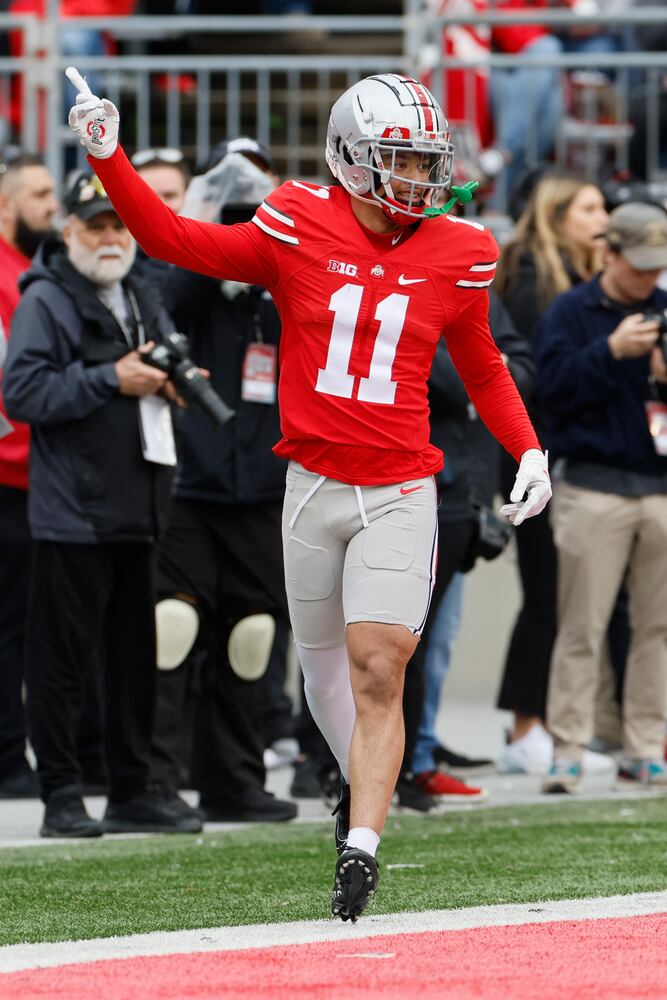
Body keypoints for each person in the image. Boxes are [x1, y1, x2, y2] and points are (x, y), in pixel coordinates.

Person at [67, 68, 550, 921]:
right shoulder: (296, 221)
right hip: (310, 483)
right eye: (399, 160)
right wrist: (111, 160)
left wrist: (527, 448)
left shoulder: (460, 248)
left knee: (378, 666)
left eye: (425, 161)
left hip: (399, 486)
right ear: (351, 159)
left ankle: (362, 847)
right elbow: (177, 240)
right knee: (326, 672)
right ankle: (349, 797)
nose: (419, 178)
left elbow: (479, 362)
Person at [2, 171, 201, 837]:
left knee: (133, 661)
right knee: (61, 664)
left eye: (119, 224)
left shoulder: (142, 291)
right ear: (69, 232)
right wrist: (110, 378)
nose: (112, 237)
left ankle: (132, 789)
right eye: (97, 225)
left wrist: (176, 381)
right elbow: (23, 394)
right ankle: (61, 793)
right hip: (73, 513)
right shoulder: (47, 300)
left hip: (140, 506)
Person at [149, 145, 297, 824]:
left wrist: (271, 241)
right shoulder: (184, 260)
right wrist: (210, 234)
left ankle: (233, 778)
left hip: (264, 483)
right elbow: (159, 308)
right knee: (171, 629)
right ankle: (154, 778)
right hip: (186, 482)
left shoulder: (290, 264)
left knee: (252, 634)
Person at [537, 202, 667, 792]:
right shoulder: (571, 310)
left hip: (658, 488)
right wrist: (610, 352)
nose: (649, 278)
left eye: (657, 267)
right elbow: (547, 393)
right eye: (639, 265)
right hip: (592, 487)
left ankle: (645, 746)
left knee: (656, 629)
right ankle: (568, 747)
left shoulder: (663, 308)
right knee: (581, 627)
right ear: (609, 253)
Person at [493, 173, 611, 775]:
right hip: (532, 461)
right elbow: (525, 379)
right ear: (558, 214)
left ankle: (536, 724)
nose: (602, 217)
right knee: (544, 596)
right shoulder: (532, 280)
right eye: (590, 207)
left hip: (557, 458)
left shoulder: (575, 274)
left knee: (556, 598)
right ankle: (524, 728)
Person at [0, 152, 57, 799]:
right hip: (9, 476)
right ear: (6, 203)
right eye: (38, 193)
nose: (51, 204)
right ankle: (6, 759)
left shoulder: (31, 271)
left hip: (35, 476)